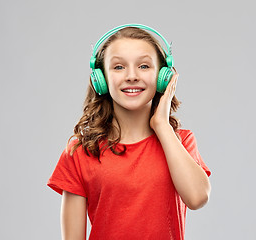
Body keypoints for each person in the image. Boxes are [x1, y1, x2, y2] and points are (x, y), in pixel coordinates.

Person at [47, 24, 211, 240]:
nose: (132, 76)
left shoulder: (180, 142)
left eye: (144, 66)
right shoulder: (80, 152)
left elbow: (197, 197)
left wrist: (161, 124)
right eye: (118, 67)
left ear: (163, 76)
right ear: (101, 79)